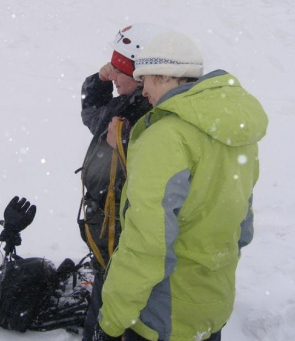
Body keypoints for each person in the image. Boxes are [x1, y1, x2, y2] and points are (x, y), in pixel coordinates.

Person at [93, 31, 269, 341]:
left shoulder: (165, 137)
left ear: (162, 76)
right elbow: (243, 227)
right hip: (211, 307)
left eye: (144, 79)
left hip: (162, 317)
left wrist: (111, 321)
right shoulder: (236, 134)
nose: (143, 90)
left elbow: (146, 245)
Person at [78, 24, 162, 341]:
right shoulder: (119, 105)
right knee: (106, 299)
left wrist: (126, 142)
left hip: (124, 240)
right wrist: (99, 82)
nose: (114, 76)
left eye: (119, 70)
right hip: (105, 232)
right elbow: (91, 114)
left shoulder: (151, 115)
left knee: (112, 311)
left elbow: (157, 174)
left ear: (141, 76)